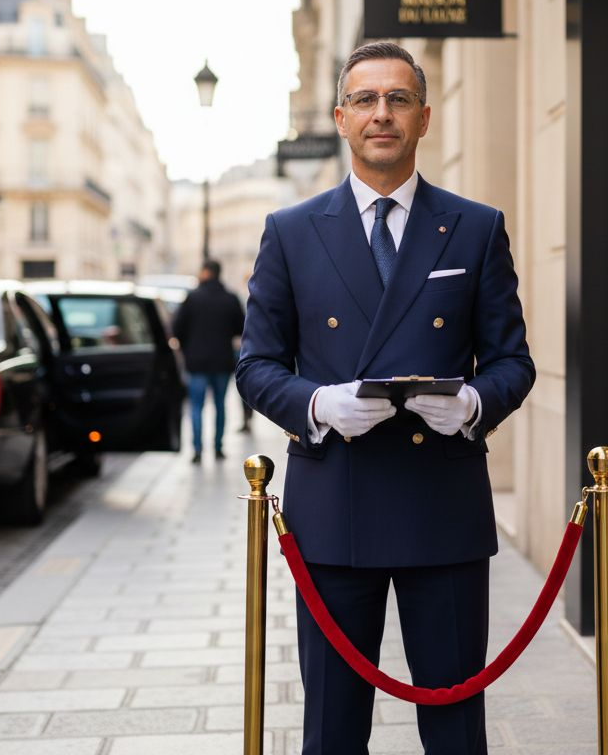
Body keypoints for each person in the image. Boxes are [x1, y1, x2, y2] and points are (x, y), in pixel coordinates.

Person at [236, 42, 535, 754]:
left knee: (456, 725)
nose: (382, 114)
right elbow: (256, 365)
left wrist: (471, 406)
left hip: (443, 508)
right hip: (335, 506)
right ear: (341, 117)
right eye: (365, 100)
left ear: (424, 118)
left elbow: (512, 363)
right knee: (334, 729)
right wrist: (316, 406)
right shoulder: (291, 231)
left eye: (398, 99)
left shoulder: (475, 226)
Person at [172, 259, 245, 463]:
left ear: (205, 272)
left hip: (196, 362)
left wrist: (188, 348)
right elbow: (240, 328)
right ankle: (218, 447)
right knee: (220, 405)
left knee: (197, 406)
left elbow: (177, 328)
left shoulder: (192, 298)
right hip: (222, 360)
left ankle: (196, 449)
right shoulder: (230, 298)